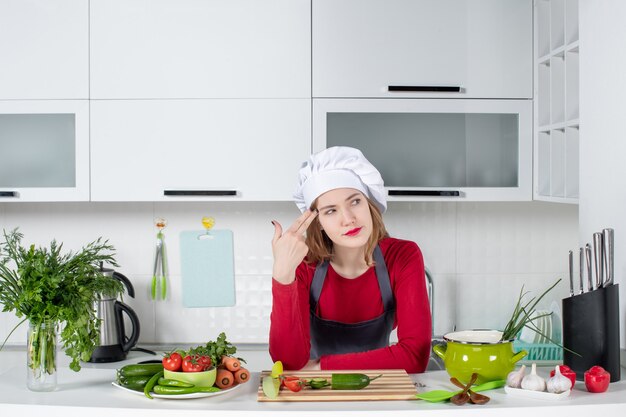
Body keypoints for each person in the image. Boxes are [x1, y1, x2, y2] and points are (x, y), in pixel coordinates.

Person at [269, 146, 431, 373]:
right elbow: (288, 363)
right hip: (317, 397)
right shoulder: (305, 265)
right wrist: (283, 275)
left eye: (355, 201)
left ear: (369, 203)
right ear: (318, 223)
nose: (349, 219)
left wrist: (321, 367)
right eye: (330, 211)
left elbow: (415, 357)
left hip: (379, 393)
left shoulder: (402, 256)